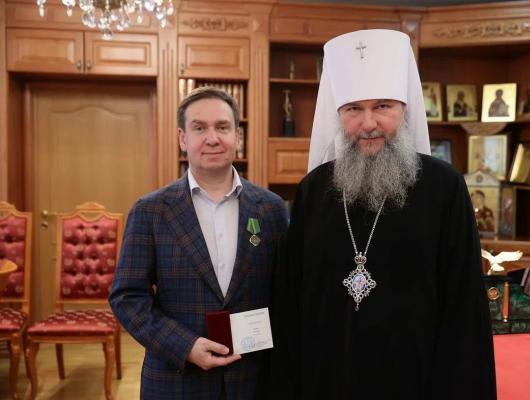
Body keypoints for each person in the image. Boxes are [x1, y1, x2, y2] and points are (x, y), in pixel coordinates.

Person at [270, 29, 496, 399]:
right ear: (337, 114)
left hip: (417, 383)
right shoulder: (314, 189)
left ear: (404, 109)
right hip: (327, 382)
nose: (368, 123)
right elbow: (291, 304)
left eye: (383, 107)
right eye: (353, 109)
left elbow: (464, 308)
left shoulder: (444, 187)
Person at [109, 87, 288, 399]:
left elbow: (286, 294)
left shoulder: (272, 209)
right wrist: (185, 346)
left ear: (238, 136)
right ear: (182, 138)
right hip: (176, 381)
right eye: (200, 128)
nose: (212, 138)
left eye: (222, 127)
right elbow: (127, 298)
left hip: (254, 380)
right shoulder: (150, 211)